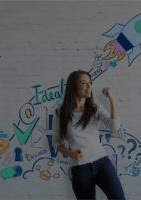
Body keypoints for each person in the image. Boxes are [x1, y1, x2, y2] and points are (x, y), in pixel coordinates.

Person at [52, 70, 126, 200]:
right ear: (74, 86)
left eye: (90, 83)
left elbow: (114, 126)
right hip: (80, 169)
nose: (89, 86)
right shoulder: (60, 113)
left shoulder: (95, 109)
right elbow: (56, 142)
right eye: (84, 83)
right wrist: (71, 154)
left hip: (102, 163)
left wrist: (112, 100)